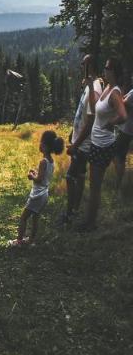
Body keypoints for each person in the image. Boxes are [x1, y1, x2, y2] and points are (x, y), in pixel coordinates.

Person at [73, 57, 128, 232]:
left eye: (107, 68)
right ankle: (89, 221)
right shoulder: (107, 88)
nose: (104, 70)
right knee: (94, 184)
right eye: (105, 67)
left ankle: (90, 224)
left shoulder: (115, 93)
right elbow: (94, 107)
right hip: (97, 142)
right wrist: (90, 87)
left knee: (95, 186)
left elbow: (123, 115)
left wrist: (110, 124)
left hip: (103, 144)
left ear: (113, 72)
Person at [60, 54, 103, 226]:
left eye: (83, 63)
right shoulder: (89, 85)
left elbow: (92, 120)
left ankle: (70, 214)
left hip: (83, 145)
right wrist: (73, 132)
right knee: (79, 176)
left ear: (90, 66)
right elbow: (83, 114)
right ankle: (75, 210)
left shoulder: (96, 88)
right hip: (79, 140)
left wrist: (75, 144)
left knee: (71, 177)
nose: (80, 66)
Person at [8, 130, 64, 247]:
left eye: (41, 143)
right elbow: (44, 176)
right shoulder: (51, 161)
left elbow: (38, 180)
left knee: (23, 218)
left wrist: (32, 176)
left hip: (37, 194)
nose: (39, 145)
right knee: (35, 218)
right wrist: (37, 173)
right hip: (45, 194)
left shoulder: (43, 161)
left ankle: (18, 241)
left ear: (45, 147)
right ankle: (31, 240)